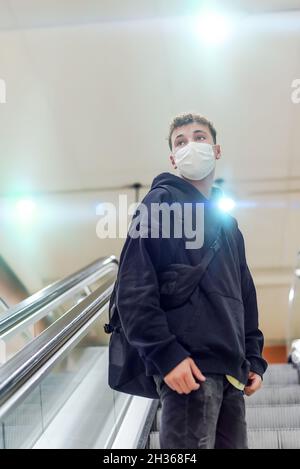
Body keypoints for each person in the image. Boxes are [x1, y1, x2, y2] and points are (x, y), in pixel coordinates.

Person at [116, 113, 268, 449]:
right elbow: (133, 286)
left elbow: (243, 296)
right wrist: (165, 354)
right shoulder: (160, 202)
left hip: (231, 374)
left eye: (199, 138)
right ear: (173, 158)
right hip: (188, 370)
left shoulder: (229, 226)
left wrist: (253, 357)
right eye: (180, 142)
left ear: (216, 150)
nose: (190, 146)